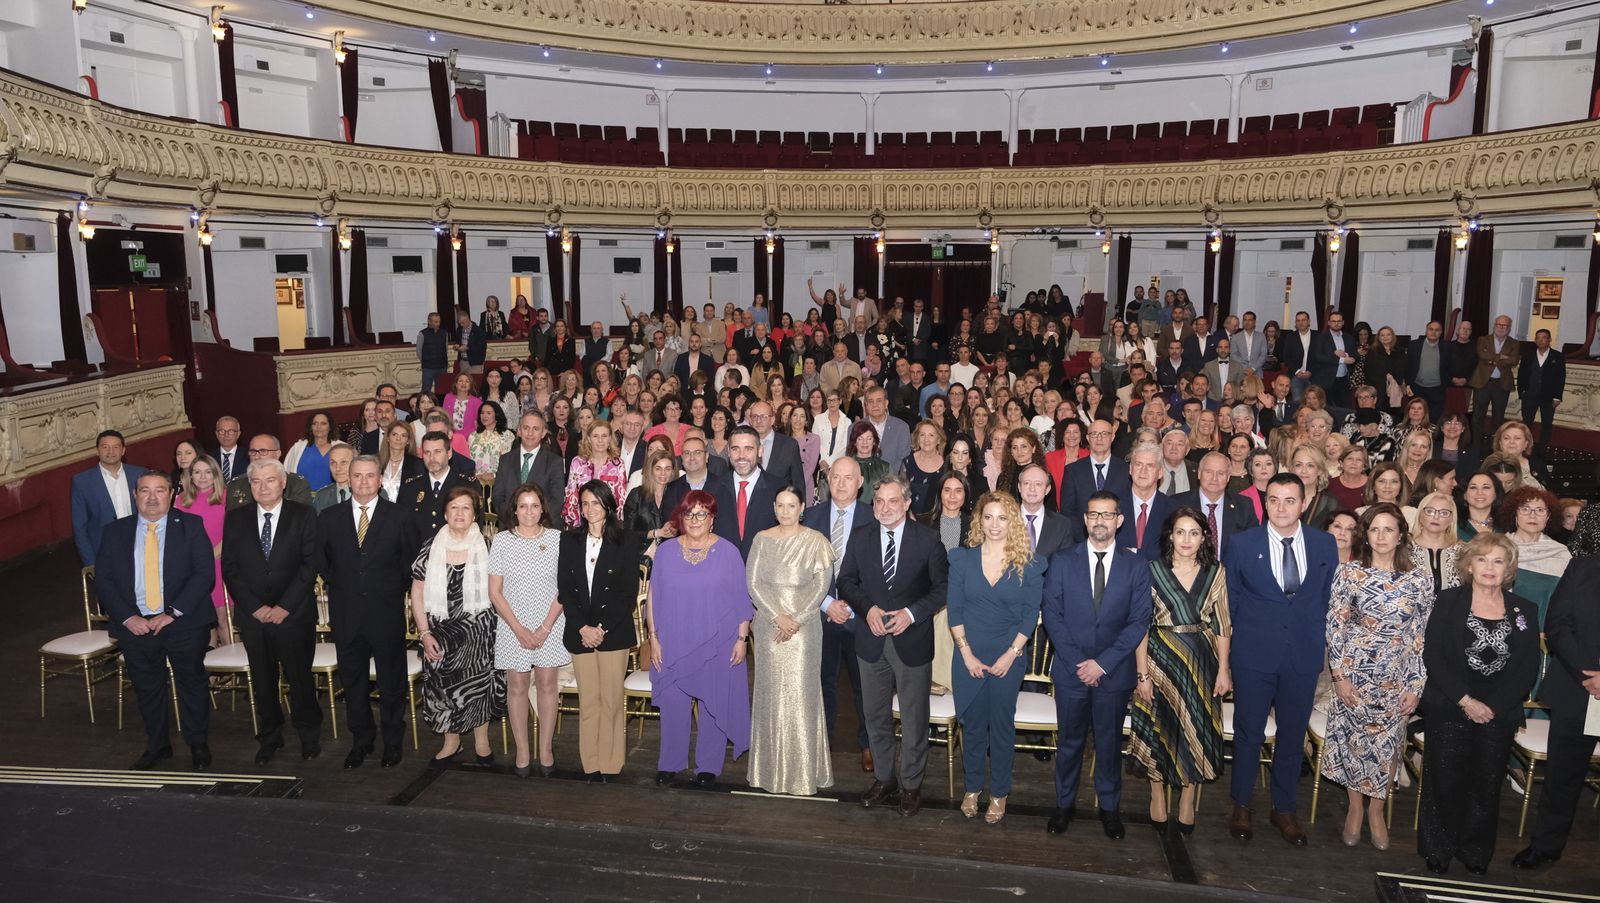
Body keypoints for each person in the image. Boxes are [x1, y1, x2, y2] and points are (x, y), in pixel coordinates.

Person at [1222, 472, 1339, 846]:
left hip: (1302, 655)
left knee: (1291, 735)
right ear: (1265, 502)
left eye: (1290, 500)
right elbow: (1232, 600)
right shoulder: (1242, 543)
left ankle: (1283, 808)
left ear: (1304, 503)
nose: (1282, 507)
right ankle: (1242, 803)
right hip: (1254, 654)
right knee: (1248, 732)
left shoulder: (1325, 545)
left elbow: (1325, 599)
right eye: (1274, 499)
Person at [1418, 532, 1541, 876]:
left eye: (1498, 561)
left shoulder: (1524, 610)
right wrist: (1466, 700)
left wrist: (1494, 707)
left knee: (1486, 784)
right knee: (1444, 780)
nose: (1490, 567)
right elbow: (1434, 655)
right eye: (1482, 559)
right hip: (1452, 704)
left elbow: (1527, 667)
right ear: (1469, 565)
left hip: (1498, 712)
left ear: (1509, 568)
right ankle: (1438, 849)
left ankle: (1475, 852)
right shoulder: (1448, 601)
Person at [836, 474, 949, 817]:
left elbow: (943, 589)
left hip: (911, 642)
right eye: (879, 501)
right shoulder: (860, 537)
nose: (885, 508)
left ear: (907, 502)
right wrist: (867, 609)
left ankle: (911, 786)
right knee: (875, 717)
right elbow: (846, 581)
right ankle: (885, 780)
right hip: (870, 643)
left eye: (893, 501)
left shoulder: (928, 540)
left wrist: (912, 614)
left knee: (915, 719)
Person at [1041, 490, 1152, 839]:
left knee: (1108, 745)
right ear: (1085, 519)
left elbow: (1138, 621)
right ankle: (1064, 805)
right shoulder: (1061, 560)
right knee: (1070, 743)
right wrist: (1079, 663)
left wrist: (1101, 664)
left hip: (1113, 673)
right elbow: (1052, 616)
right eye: (1093, 514)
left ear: (1119, 520)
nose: (1100, 521)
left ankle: (1109, 808)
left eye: (1107, 515)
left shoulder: (1136, 565)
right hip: (1072, 672)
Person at [1321, 503, 1433, 850]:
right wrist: (1339, 677)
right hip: (1353, 674)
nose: (1381, 536)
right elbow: (1335, 626)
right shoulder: (1350, 573)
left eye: (1389, 529)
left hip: (1396, 676)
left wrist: (1416, 685)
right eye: (1374, 529)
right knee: (1353, 743)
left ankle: (1377, 812)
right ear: (1365, 535)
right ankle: (1355, 808)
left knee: (1387, 748)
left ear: (1401, 535)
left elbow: (1422, 636)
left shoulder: (1419, 579)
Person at [97, 471, 216, 771]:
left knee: (192, 683)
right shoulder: (115, 531)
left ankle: (198, 744)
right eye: (145, 491)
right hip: (136, 626)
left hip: (182, 622)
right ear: (135, 495)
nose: (152, 497)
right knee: (148, 688)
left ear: (172, 494)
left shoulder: (190, 525)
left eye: (159, 490)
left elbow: (204, 575)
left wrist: (172, 613)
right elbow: (105, 580)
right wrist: (127, 617)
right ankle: (157, 745)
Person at [1129, 507, 1232, 835]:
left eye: (1194, 533)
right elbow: (1140, 625)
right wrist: (1142, 673)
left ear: (1204, 537)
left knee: (1195, 727)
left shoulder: (1216, 572)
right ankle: (1157, 790)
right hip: (1159, 657)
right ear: (1170, 535)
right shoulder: (1152, 570)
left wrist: (1224, 669)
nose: (1186, 539)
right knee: (1161, 724)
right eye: (1180, 532)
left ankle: (1188, 795)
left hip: (1202, 659)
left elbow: (1223, 624)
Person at [948, 492, 1045, 825]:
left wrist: (1012, 653)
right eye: (988, 517)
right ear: (979, 520)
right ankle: (973, 788)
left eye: (1002, 517)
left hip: (1009, 655)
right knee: (972, 726)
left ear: (1013, 522)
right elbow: (955, 611)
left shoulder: (1029, 564)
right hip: (968, 655)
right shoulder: (961, 559)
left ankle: (1000, 793)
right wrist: (967, 654)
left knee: (1001, 728)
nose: (994, 525)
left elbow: (1030, 615)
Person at [221, 459, 322, 765]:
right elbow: (230, 568)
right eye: (256, 482)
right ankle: (269, 736)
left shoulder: (303, 515)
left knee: (299, 678)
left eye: (269, 481)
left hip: (293, 616)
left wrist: (283, 607)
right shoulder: (236, 518)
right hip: (254, 618)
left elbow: (310, 565)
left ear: (283, 483)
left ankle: (308, 736)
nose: (262, 487)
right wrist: (254, 607)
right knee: (263, 681)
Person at [315, 455, 412, 770]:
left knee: (391, 680)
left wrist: (389, 589)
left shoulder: (399, 516)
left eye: (370, 476)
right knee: (353, 680)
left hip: (386, 611)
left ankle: (393, 742)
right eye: (357, 475)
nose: (364, 481)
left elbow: (409, 563)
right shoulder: (329, 518)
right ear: (348, 478)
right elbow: (323, 562)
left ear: (380, 479)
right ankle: (361, 740)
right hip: (346, 613)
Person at [742, 486, 835, 796]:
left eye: (791, 505)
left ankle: (804, 773)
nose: (785, 511)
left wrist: (795, 619)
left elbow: (821, 586)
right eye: (780, 505)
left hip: (805, 631)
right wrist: (775, 617)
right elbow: (753, 584)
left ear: (802, 507)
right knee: (769, 694)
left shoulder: (816, 542)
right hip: (768, 629)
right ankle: (767, 773)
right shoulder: (761, 540)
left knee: (801, 695)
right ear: (774, 507)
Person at [1514, 553, 1600, 871]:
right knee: (1563, 777)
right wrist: (1588, 675)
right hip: (1578, 689)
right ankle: (1546, 846)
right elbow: (1557, 624)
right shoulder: (1583, 566)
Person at [409, 486, 502, 766]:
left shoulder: (488, 547)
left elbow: (499, 592)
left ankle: (482, 741)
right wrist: (424, 633)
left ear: (475, 515)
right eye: (454, 507)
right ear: (445, 513)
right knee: (441, 687)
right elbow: (417, 593)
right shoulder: (430, 547)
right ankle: (452, 742)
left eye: (466, 508)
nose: (459, 513)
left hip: (479, 631)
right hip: (439, 632)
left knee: (478, 685)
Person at [558, 481, 641, 781]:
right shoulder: (569, 541)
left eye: (596, 502)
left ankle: (611, 762)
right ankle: (590, 763)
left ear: (609, 505)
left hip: (613, 632)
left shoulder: (626, 541)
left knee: (610, 700)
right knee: (588, 700)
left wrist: (601, 628)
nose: (590, 508)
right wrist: (583, 626)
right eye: (585, 503)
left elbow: (626, 593)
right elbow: (565, 590)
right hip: (580, 631)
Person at [488, 482, 568, 778]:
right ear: (515, 509)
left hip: (550, 623)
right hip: (513, 625)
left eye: (535, 505)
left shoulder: (559, 539)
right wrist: (519, 629)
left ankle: (545, 748)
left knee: (548, 686)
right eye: (523, 506)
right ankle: (523, 749)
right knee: (517, 688)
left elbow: (565, 588)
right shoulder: (502, 541)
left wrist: (545, 627)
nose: (529, 511)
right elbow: (495, 592)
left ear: (543, 509)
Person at [804, 456, 877, 773]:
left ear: (861, 483)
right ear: (827, 480)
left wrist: (853, 604)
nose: (842, 483)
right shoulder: (811, 517)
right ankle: (823, 743)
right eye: (836, 477)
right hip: (820, 615)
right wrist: (825, 603)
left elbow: (879, 572)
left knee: (865, 686)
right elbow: (802, 569)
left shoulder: (874, 517)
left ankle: (869, 744)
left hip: (860, 616)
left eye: (849, 477)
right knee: (822, 684)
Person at [1498, 484, 1571, 625]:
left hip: (1547, 629)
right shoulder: (1498, 548)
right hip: (1501, 625)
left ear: (1548, 516)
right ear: (1515, 514)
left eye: (1540, 510)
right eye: (1525, 509)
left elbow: (1568, 600)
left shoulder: (1561, 553)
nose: (1533, 515)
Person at [175, 454, 228, 647]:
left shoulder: (226, 496)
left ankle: (237, 667)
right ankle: (213, 673)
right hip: (193, 569)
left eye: (208, 472)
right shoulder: (181, 501)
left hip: (219, 565)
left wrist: (207, 558)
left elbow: (231, 535)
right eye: (197, 472)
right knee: (205, 622)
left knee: (223, 619)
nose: (202, 477)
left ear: (215, 474)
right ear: (190, 475)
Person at [72, 430, 146, 567]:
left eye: (116, 447)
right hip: (103, 552)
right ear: (97, 450)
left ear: (123, 450)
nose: (110, 451)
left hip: (140, 547)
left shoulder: (140, 474)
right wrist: (90, 563)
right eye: (105, 447)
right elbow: (79, 527)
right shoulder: (82, 482)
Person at [491, 411, 565, 528]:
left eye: (535, 429)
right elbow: (498, 497)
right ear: (519, 431)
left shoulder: (554, 462)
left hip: (544, 528)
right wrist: (516, 522)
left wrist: (534, 524)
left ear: (543, 433)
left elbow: (557, 500)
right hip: (510, 527)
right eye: (526, 428)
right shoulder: (505, 460)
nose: (530, 433)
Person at [562, 421, 628, 529]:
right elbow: (571, 496)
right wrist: (575, 525)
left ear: (610, 439)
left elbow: (621, 500)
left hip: (609, 525)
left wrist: (617, 526)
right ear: (588, 439)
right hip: (582, 523)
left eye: (604, 436)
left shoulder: (618, 464)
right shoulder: (577, 463)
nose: (600, 440)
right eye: (595, 436)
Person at [224, 434, 314, 511]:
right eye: (253, 452)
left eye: (263, 451)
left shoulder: (296, 484)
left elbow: (300, 520)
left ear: (277, 454)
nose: (257, 456)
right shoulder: (237, 485)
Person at [1060, 419, 1130, 517]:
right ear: (1088, 438)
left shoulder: (1126, 470)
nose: (1099, 438)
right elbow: (1067, 512)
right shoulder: (1072, 471)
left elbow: (1129, 508)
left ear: (1113, 437)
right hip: (1082, 531)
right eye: (1094, 434)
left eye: (1104, 434)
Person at [284, 411, 337, 491]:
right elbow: (286, 473)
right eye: (315, 423)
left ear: (330, 427)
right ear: (310, 427)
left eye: (323, 423)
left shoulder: (341, 447)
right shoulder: (297, 448)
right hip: (302, 498)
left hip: (333, 498)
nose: (318, 426)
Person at [311, 444, 356, 512]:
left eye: (343, 462)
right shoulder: (322, 497)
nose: (338, 468)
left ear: (356, 464)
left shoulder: (367, 493)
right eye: (333, 463)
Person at [416, 311, 449, 392]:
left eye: (439, 321)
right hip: (428, 368)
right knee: (426, 389)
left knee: (442, 389)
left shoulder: (444, 333)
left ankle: (440, 404)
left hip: (442, 367)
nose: (438, 324)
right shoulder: (422, 333)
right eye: (435, 322)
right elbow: (418, 351)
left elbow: (446, 348)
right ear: (429, 321)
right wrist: (425, 361)